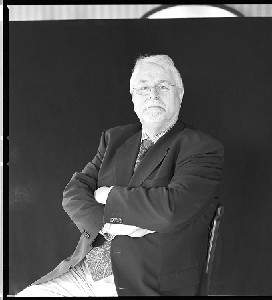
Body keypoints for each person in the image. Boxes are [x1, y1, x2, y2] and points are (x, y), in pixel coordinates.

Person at [16, 54, 224, 296]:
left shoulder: (201, 147)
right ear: (133, 97)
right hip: (85, 271)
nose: (152, 94)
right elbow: (74, 193)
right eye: (143, 87)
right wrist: (112, 226)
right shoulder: (115, 139)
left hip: (144, 283)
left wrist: (108, 194)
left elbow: (171, 209)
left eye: (163, 86)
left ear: (180, 93)